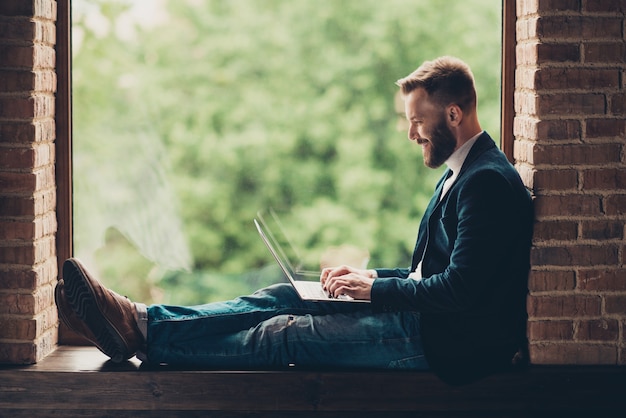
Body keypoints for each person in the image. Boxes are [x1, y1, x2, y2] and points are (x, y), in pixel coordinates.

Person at [55, 56, 533, 385]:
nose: (410, 134)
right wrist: (369, 278)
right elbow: (431, 273)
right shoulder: (463, 171)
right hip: (420, 317)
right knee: (283, 296)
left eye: (417, 120)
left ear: (453, 113)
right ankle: (138, 320)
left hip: (439, 343)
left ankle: (141, 339)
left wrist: (372, 291)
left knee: (283, 332)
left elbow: (459, 291)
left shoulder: (487, 182)